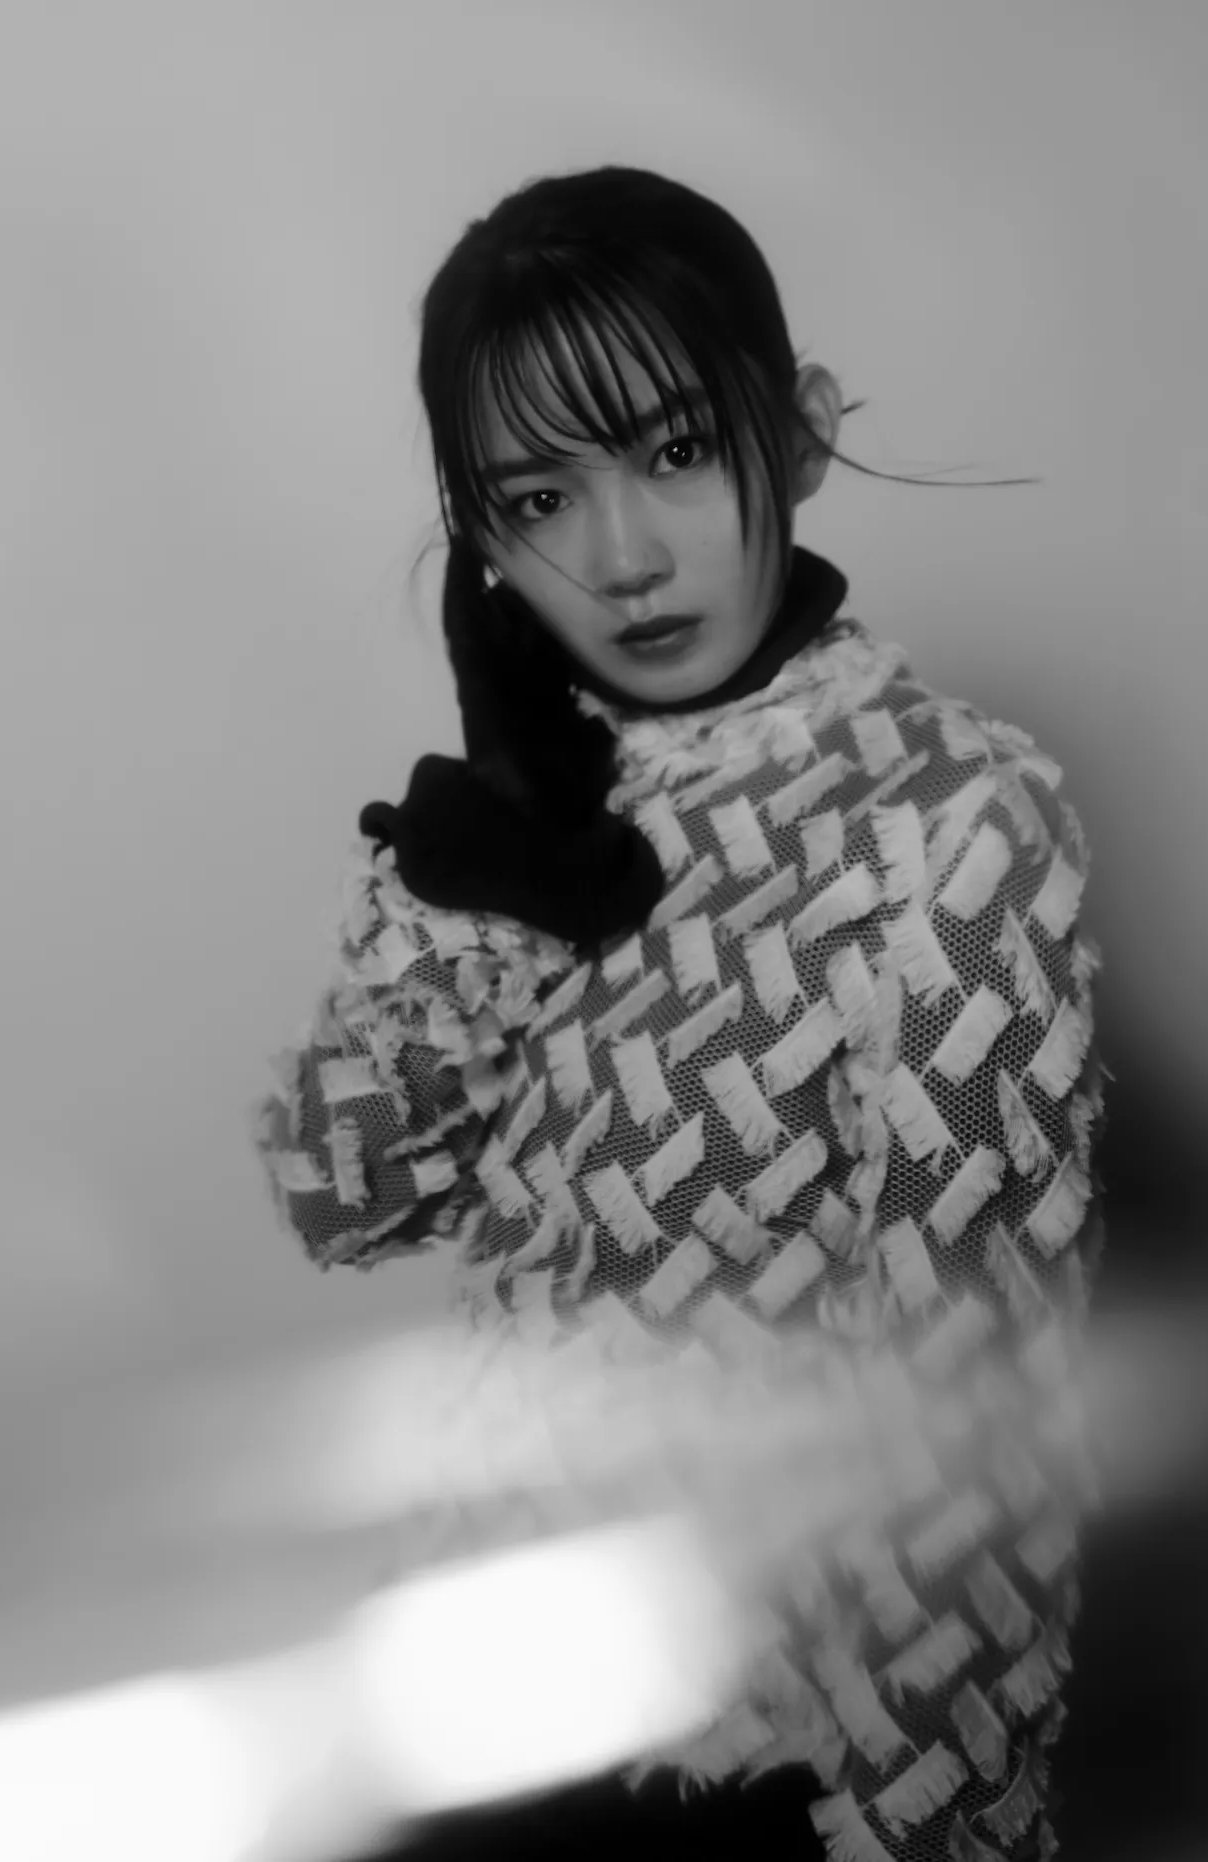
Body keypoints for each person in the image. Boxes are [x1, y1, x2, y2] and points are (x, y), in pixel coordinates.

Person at [251, 165, 1108, 1860]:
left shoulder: (952, 824)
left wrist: (917, 1832)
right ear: (480, 535)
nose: (623, 556)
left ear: (797, 432)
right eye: (538, 496)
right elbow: (344, 1192)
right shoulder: (540, 809)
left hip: (756, 1774)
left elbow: (977, 1456)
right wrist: (490, 867)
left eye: (674, 452)